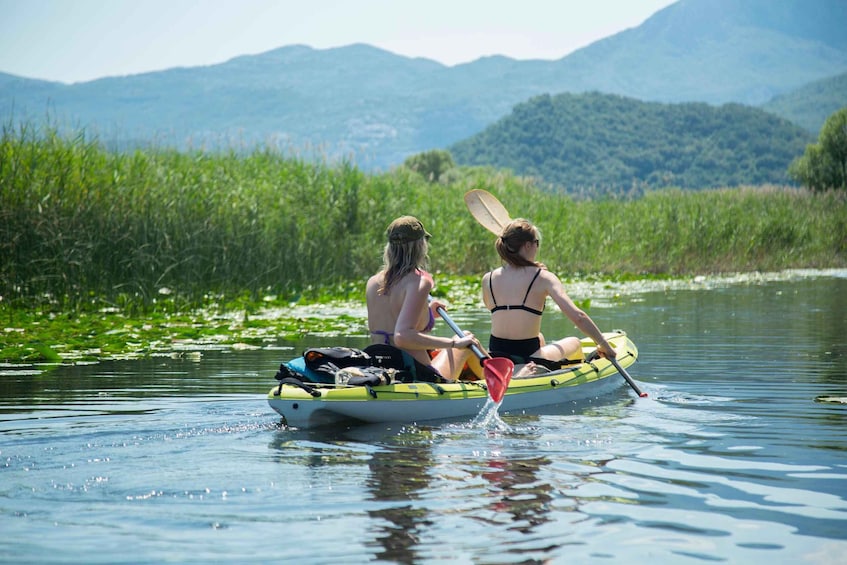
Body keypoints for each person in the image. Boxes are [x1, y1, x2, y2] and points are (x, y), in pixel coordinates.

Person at [482, 218, 616, 368]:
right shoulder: (544, 278)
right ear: (527, 245)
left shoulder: (488, 278)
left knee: (540, 337)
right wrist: (604, 345)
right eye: (536, 243)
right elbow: (578, 317)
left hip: (495, 357)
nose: (537, 248)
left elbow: (496, 310)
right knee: (575, 342)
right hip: (527, 358)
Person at [366, 216, 481, 382]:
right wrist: (454, 344)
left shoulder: (372, 282)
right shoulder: (420, 281)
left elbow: (393, 320)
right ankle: (506, 383)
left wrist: (428, 314)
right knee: (467, 339)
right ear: (420, 245)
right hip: (417, 375)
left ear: (389, 247)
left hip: (380, 370)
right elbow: (402, 336)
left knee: (462, 340)